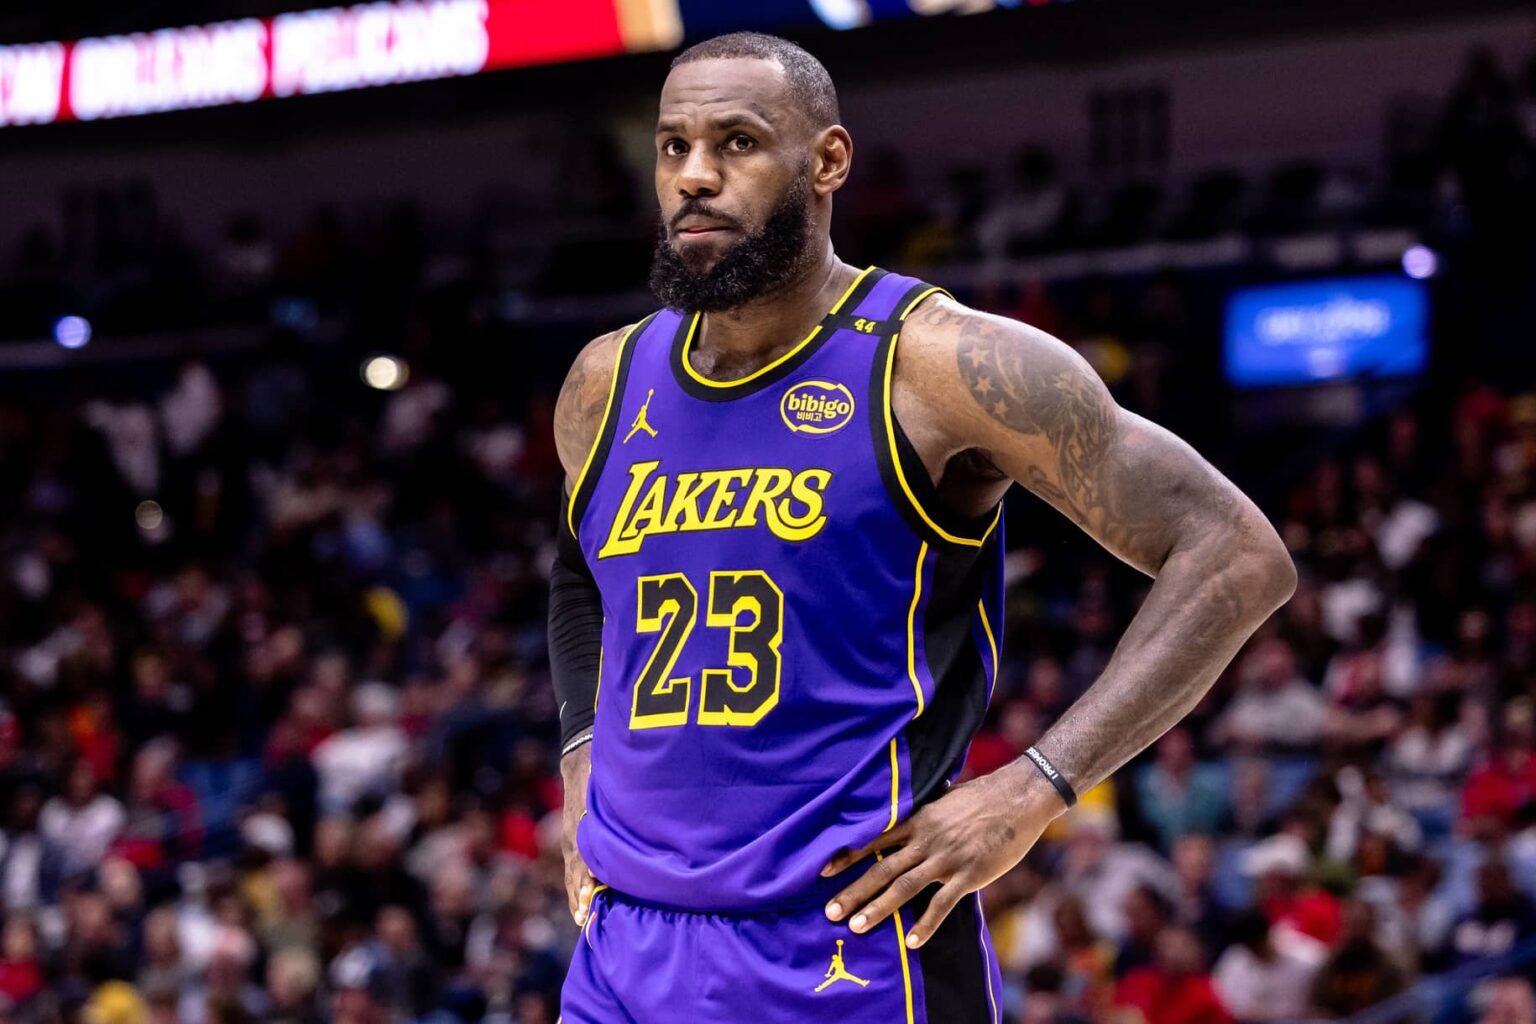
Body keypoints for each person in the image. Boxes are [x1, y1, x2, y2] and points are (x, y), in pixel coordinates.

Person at [547, 31, 1295, 1021]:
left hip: (849, 943)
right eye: (673, 146)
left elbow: (1235, 554)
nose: (694, 176)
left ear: (827, 161)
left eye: (736, 143)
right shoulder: (607, 381)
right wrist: (580, 755)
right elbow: (578, 575)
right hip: (629, 945)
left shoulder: (939, 366)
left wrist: (1036, 786)